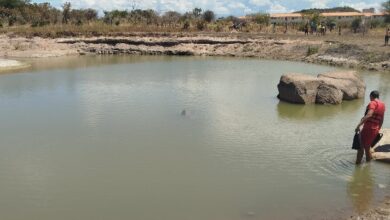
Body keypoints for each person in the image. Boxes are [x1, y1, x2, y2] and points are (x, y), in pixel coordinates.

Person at [355, 91, 386, 164]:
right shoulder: (383, 105)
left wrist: (358, 125)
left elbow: (369, 115)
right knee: (367, 147)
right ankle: (368, 166)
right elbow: (381, 119)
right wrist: (378, 129)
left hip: (368, 128)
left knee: (360, 147)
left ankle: (357, 166)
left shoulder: (373, 103)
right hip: (375, 129)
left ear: (371, 96)